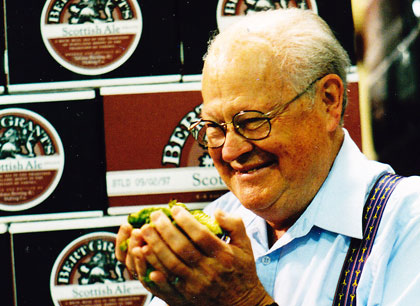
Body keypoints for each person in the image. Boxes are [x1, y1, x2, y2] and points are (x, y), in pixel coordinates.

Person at [116, 8, 420, 306]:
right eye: (214, 128)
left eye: (252, 121)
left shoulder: (407, 221)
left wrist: (243, 301)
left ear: (328, 100)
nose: (231, 151)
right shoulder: (210, 234)